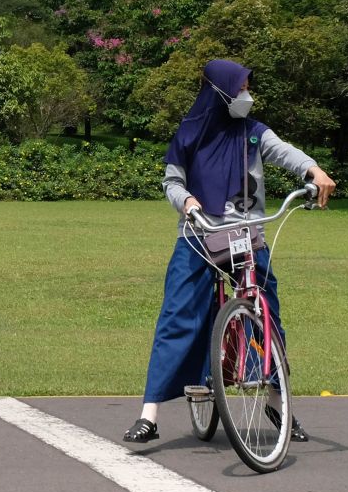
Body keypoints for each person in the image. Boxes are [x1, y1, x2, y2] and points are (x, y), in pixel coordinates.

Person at [124, 59, 335, 444]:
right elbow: (172, 182)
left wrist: (313, 171)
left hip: (245, 235)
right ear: (220, 92)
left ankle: (276, 399)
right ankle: (149, 415)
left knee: (266, 311)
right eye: (239, 89)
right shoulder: (188, 136)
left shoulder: (252, 133)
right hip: (198, 234)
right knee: (176, 315)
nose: (246, 96)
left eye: (247, 88)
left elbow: (284, 151)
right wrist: (187, 202)